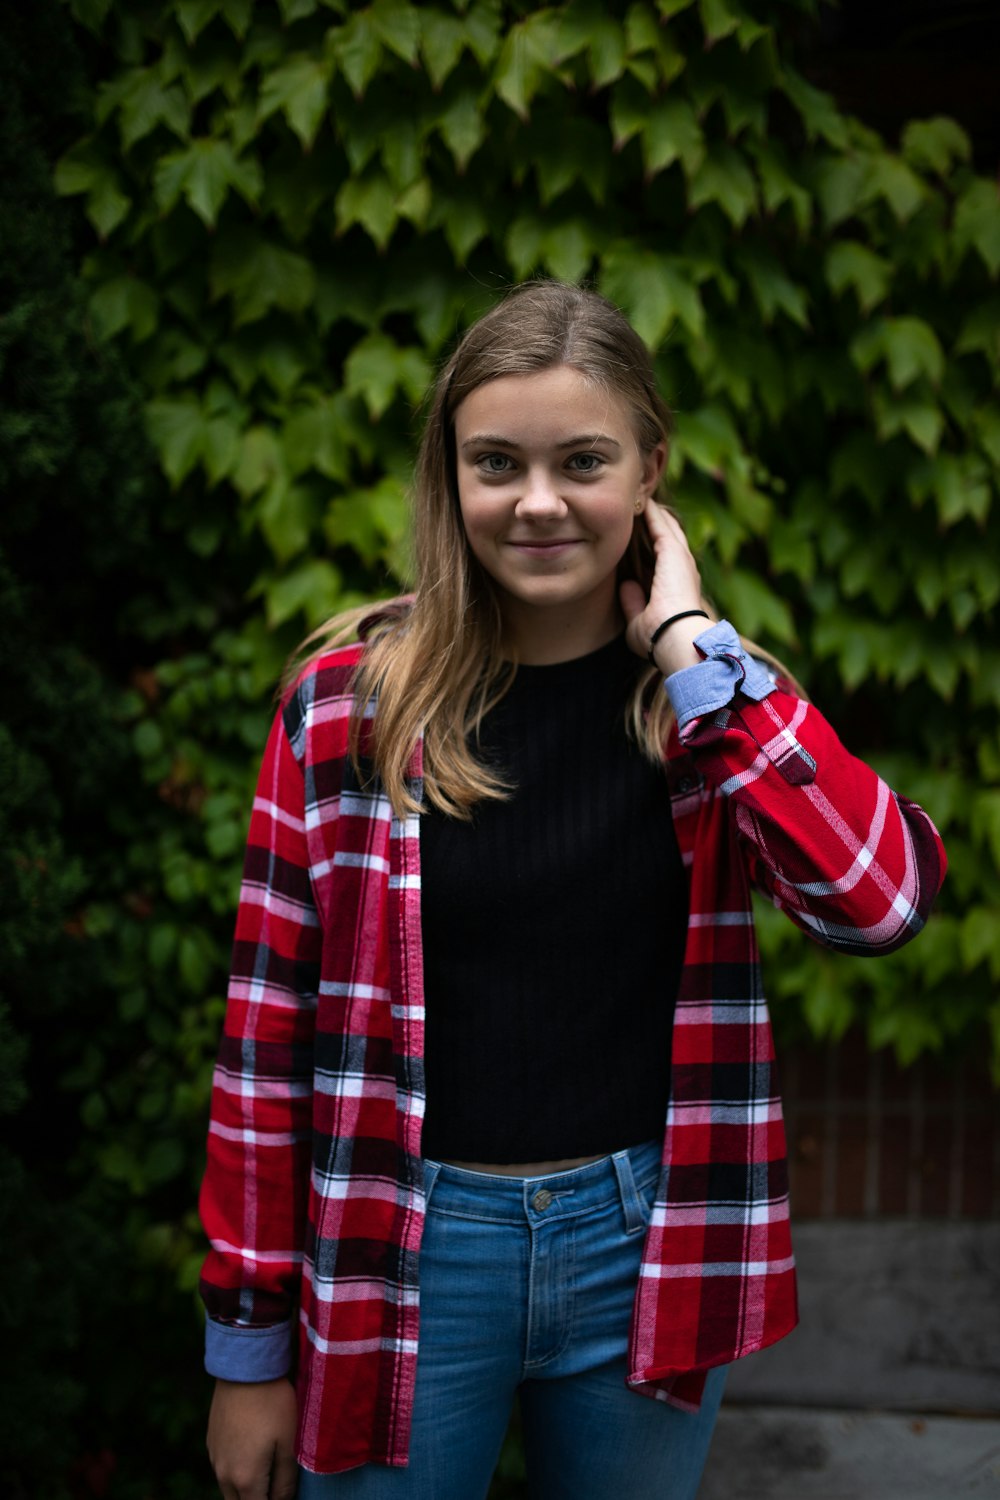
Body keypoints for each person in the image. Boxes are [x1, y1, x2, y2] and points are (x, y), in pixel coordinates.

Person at [200, 281, 946, 1500]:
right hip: (403, 1247)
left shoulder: (711, 709)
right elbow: (261, 1044)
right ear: (450, 475)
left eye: (582, 460)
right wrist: (245, 1351)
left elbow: (880, 902)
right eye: (496, 462)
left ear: (649, 468)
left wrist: (696, 646)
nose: (537, 501)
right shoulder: (346, 710)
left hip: (646, 1244)